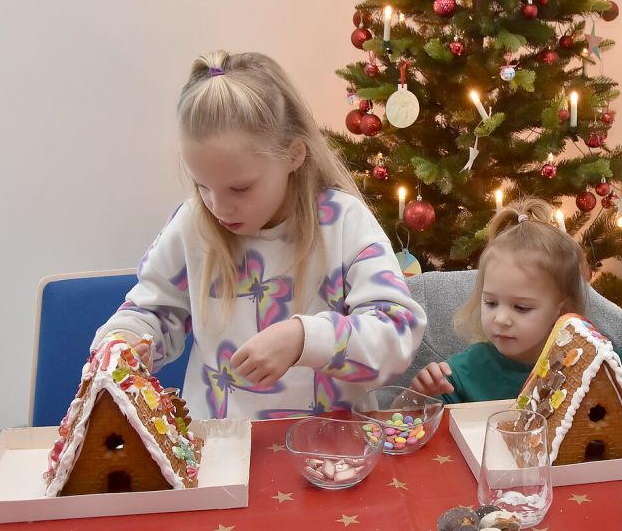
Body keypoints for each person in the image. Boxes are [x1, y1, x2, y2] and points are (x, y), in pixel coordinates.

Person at [93, 50, 426, 419]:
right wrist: (124, 340)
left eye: (240, 189)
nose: (218, 208)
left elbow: (399, 331)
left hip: (333, 454)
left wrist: (304, 340)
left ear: (294, 155)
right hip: (220, 450)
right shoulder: (193, 224)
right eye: (202, 185)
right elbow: (150, 311)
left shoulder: (343, 222)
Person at [410, 197, 622, 403]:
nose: (501, 319)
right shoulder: (465, 371)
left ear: (562, 310)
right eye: (491, 303)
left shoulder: (595, 359)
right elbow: (412, 420)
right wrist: (421, 395)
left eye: (521, 307)